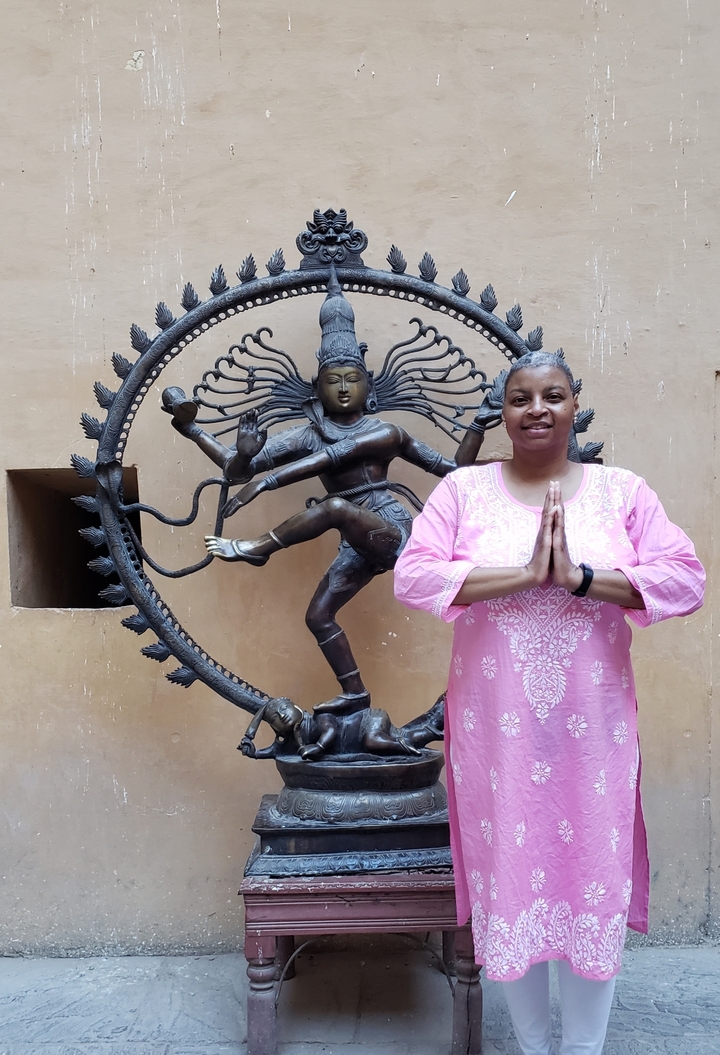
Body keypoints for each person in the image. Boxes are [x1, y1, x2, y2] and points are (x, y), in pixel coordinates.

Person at [393, 350, 705, 1055]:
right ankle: (534, 1047)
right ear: (503, 412)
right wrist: (524, 574)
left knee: (592, 877)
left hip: (592, 736)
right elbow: (412, 576)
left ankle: (584, 1049)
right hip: (497, 740)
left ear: (574, 406)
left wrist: (581, 578)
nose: (536, 409)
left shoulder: (622, 492)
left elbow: (686, 579)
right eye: (520, 397)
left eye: (553, 395)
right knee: (511, 884)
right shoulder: (463, 492)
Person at [164, 269, 495, 716]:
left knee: (336, 507)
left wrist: (477, 425)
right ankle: (354, 692)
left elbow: (453, 472)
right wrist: (205, 436)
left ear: (368, 386)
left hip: (392, 530)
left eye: (351, 379)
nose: (342, 387)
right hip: (353, 541)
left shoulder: (387, 432)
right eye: (332, 380)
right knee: (318, 616)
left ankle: (260, 548)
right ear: (317, 389)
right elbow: (234, 470)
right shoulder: (306, 434)